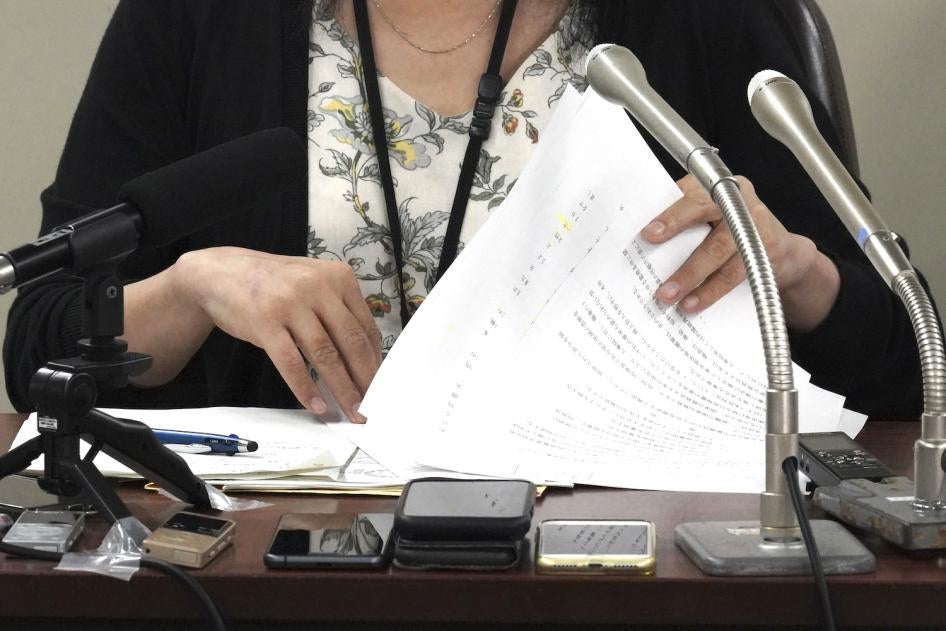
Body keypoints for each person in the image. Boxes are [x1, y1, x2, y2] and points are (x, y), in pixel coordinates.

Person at [2, 0, 930, 419]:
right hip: (262, 574)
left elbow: (907, 364)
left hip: (623, 576)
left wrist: (798, 272)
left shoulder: (703, 16)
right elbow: (36, 342)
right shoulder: (191, 18)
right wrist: (193, 286)